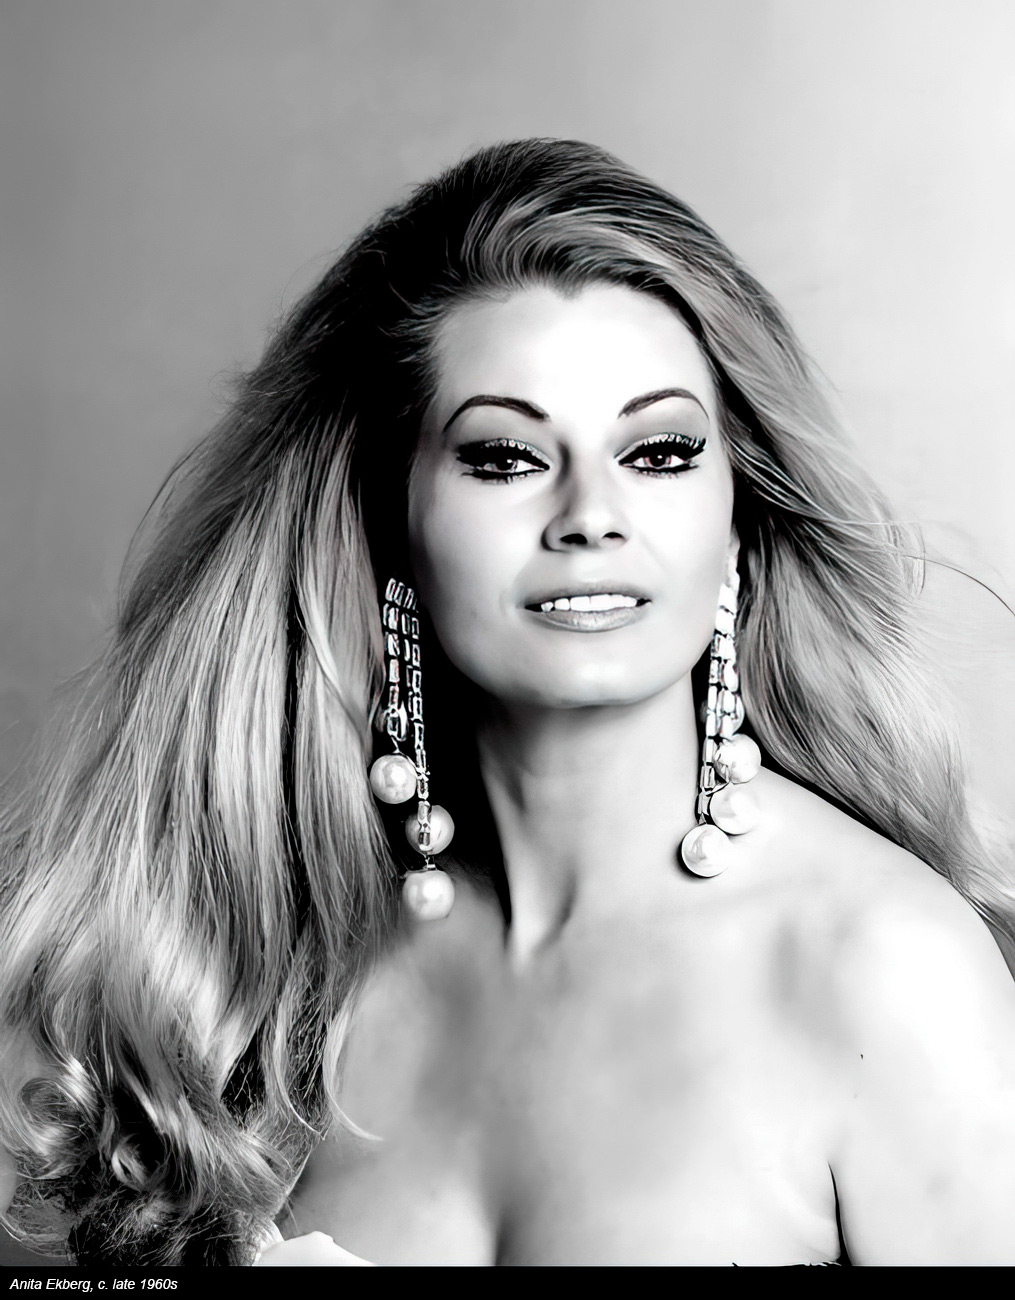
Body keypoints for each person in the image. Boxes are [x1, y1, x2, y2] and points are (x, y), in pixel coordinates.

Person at [2, 138, 1015, 1268]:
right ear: (393, 516)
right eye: (503, 457)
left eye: (659, 451)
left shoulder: (885, 969)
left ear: (737, 514)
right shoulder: (269, 965)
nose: (590, 517)